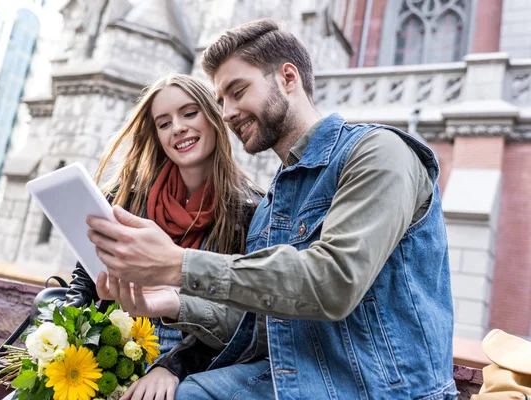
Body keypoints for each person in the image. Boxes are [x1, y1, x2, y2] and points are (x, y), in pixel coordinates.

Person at [88, 19, 456, 399]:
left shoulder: (377, 152)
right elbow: (256, 325)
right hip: (295, 380)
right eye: (221, 101)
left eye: (238, 91)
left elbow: (334, 281)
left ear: (288, 78)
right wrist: (174, 302)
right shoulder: (270, 205)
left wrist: (178, 264)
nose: (228, 112)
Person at [65, 73, 264, 400]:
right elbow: (83, 282)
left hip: (195, 365)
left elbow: (241, 321)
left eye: (189, 113)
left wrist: (173, 366)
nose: (178, 128)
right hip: (114, 353)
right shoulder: (125, 196)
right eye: (164, 123)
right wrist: (62, 339)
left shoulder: (249, 209)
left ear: (214, 117)